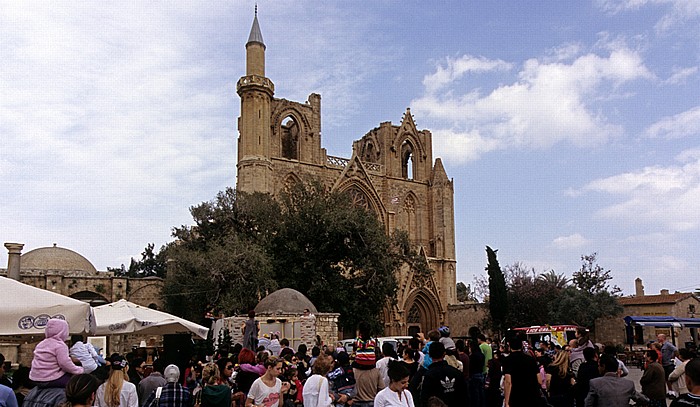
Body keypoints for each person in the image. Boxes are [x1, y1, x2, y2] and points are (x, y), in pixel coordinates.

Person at [29, 319, 84, 388]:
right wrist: (79, 370)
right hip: (50, 378)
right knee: (75, 385)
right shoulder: (60, 345)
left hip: (35, 377)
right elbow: (64, 364)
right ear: (63, 332)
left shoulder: (41, 344)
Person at [419, 341, 468, 407]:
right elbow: (465, 396)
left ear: (429, 354)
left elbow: (425, 398)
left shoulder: (429, 375)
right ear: (444, 354)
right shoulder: (456, 372)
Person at [502, 335, 541, 407]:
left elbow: (508, 382)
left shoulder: (507, 360)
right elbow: (539, 380)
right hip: (532, 396)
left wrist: (506, 402)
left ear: (510, 346)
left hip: (516, 396)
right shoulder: (531, 359)